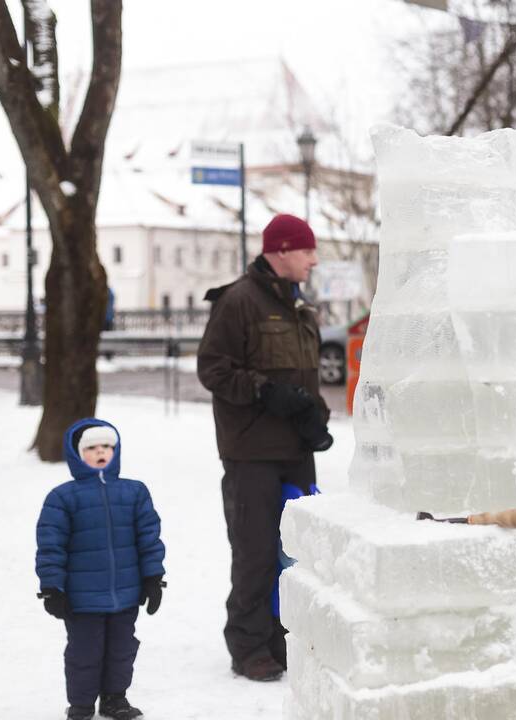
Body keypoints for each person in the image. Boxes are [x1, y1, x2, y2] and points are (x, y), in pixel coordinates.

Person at [197, 213, 332, 682]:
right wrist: (263, 391)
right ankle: (250, 645)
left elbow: (305, 379)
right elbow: (213, 369)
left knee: (294, 552)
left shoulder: (300, 308)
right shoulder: (238, 302)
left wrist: (316, 418)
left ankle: (282, 638)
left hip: (296, 451)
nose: (314, 260)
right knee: (255, 550)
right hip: (251, 451)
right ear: (281, 251)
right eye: (307, 250)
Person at [35, 419, 165, 720]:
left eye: (107, 446)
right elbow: (50, 545)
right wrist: (52, 587)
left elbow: (149, 537)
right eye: (92, 447)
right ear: (77, 453)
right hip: (81, 599)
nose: (101, 452)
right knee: (84, 652)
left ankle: (114, 698)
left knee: (122, 649)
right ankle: (81, 704)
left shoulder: (134, 492)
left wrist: (153, 577)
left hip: (126, 593)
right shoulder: (63, 497)